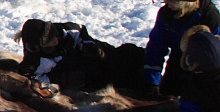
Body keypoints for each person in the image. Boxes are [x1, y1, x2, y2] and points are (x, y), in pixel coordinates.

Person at [142, 0, 220, 97]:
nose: (168, 4)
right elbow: (156, 46)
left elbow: (217, 56)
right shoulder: (166, 14)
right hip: (180, 58)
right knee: (166, 93)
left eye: (173, 2)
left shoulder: (210, 18)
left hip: (205, 67)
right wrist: (151, 81)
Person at [14, 18, 145, 94]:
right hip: (86, 79)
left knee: (131, 54)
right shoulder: (35, 63)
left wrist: (90, 46)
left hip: (98, 58)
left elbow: (81, 34)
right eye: (49, 42)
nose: (55, 40)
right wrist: (60, 79)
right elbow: (37, 82)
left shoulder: (66, 30)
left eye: (53, 35)